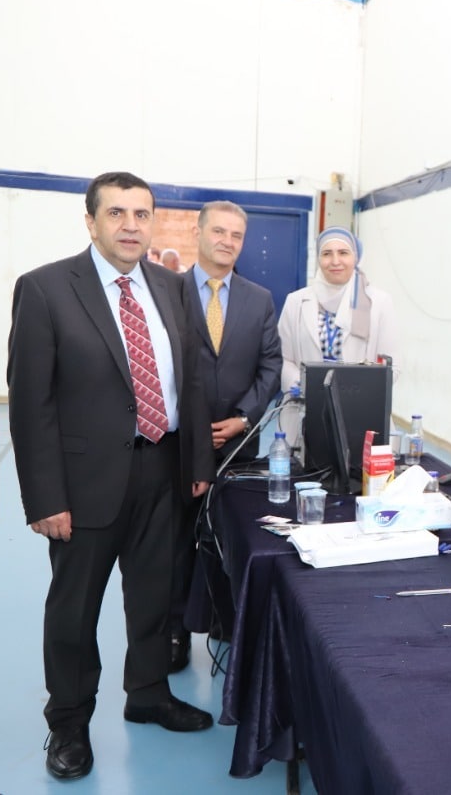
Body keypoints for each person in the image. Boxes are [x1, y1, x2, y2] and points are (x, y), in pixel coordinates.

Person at [7, 171, 216, 781]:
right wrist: (45, 496)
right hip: (84, 482)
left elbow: (190, 381)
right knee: (75, 610)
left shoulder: (173, 287)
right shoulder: (46, 289)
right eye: (117, 213)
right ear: (91, 221)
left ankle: (148, 693)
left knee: (154, 595)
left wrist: (197, 462)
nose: (131, 225)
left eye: (142, 214)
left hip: (163, 467)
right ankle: (69, 723)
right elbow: (31, 403)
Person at [168, 200, 281, 670]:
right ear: (198, 233)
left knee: (231, 539)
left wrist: (244, 417)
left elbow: (270, 366)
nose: (227, 241)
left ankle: (223, 624)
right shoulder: (168, 292)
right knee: (175, 543)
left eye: (236, 235)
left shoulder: (260, 299)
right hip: (177, 446)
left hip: (238, 445)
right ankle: (174, 633)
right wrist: (193, 427)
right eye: (218, 231)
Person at [277, 226, 397, 394]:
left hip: (360, 401)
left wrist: (354, 392)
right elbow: (283, 358)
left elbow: (392, 365)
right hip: (305, 401)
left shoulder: (379, 302)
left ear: (355, 257)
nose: (335, 261)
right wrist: (305, 387)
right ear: (318, 258)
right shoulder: (295, 301)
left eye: (343, 253)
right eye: (327, 253)